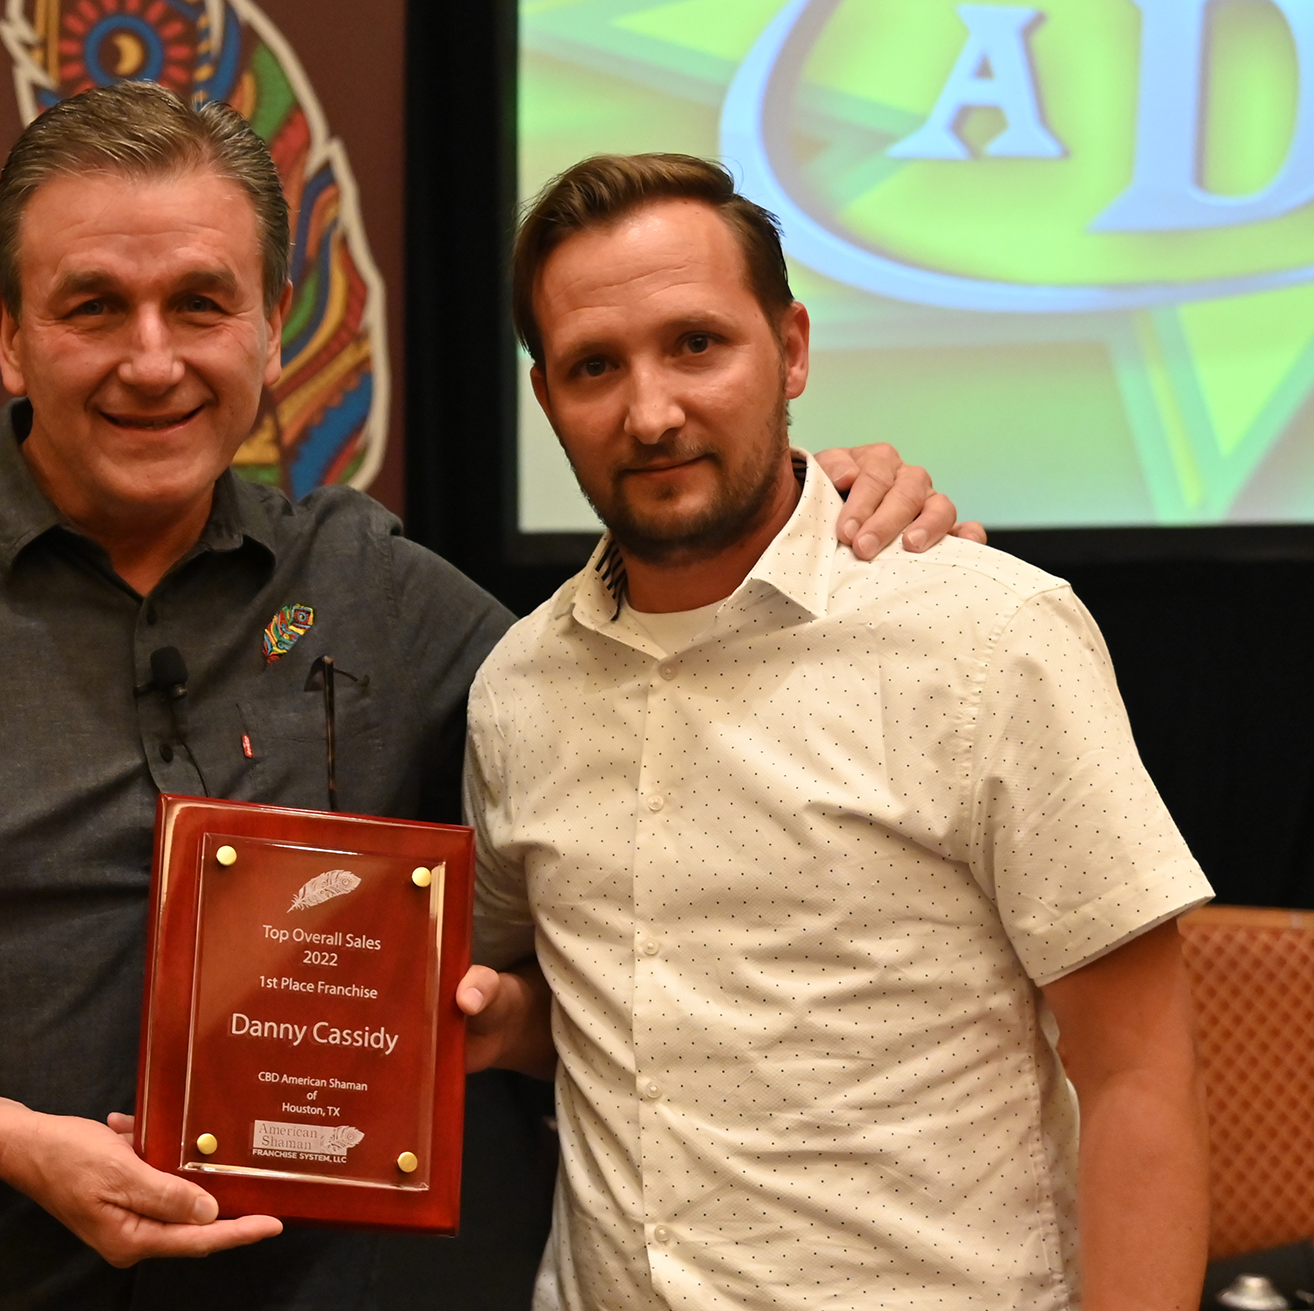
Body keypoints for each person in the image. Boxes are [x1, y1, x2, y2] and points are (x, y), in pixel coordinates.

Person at [0, 88, 967, 1310]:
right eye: (92, 307)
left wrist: (814, 505)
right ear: (10, 334)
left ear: (271, 328)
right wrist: (6, 1140)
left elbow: (656, 691)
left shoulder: (376, 587)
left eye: (202, 303)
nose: (153, 360)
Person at [456, 153, 1213, 1311]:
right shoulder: (519, 690)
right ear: (547, 396)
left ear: (793, 349)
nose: (651, 412)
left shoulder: (989, 637)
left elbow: (1138, 1078)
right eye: (595, 366)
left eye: (696, 344)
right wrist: (510, 1020)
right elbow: (602, 991)